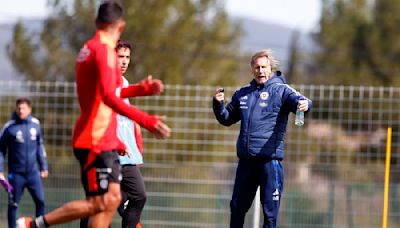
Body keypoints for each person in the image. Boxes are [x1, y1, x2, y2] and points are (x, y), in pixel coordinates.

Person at [16, 1, 170, 228]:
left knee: (112, 200)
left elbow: (110, 91)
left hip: (101, 137)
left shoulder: (88, 48)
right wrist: (146, 120)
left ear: (97, 22)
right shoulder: (105, 53)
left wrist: (141, 90)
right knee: (97, 204)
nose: (124, 60)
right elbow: (110, 97)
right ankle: (35, 224)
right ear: (121, 26)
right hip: (95, 139)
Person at [212, 49, 312, 228]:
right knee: (236, 208)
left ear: (270, 68)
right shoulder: (243, 93)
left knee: (270, 215)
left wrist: (306, 105)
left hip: (269, 162)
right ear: (252, 69)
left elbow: (302, 101)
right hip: (246, 163)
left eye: (264, 67)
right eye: (257, 67)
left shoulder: (281, 90)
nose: (260, 71)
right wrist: (218, 105)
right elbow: (226, 119)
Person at [116, 40, 162, 228]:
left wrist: (135, 150)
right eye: (120, 57)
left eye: (127, 57)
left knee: (136, 196)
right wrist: (117, 143)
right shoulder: (105, 82)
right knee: (100, 203)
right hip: (110, 153)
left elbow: (128, 121)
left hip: (126, 156)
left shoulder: (125, 82)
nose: (125, 61)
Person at [0, 98, 49, 228]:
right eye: (19, 108)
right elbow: (1, 150)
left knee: (41, 201)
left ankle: (39, 226)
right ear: (16, 109)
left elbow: (40, 147)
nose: (21, 110)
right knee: (13, 203)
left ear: (29, 109)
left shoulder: (35, 124)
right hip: (16, 175)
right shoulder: (9, 127)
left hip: (33, 174)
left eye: (24, 108)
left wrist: (44, 166)